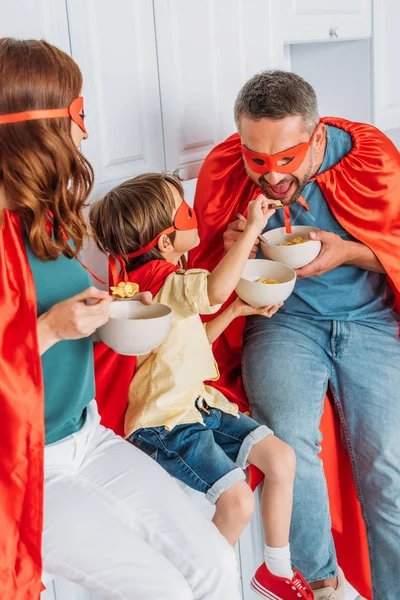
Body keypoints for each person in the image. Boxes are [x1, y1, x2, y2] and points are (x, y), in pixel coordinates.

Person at [0, 37, 243, 600]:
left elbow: (63, 304)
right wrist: (52, 329)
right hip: (25, 468)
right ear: (35, 128)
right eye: (77, 115)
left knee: (212, 565)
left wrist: (107, 311)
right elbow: (39, 329)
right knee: (163, 591)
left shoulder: (46, 217)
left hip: (88, 437)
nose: (85, 132)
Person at [187, 70, 400, 600]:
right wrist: (241, 245)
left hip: (370, 320)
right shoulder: (226, 170)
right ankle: (319, 586)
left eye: (287, 159)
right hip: (281, 322)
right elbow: (207, 277)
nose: (272, 177)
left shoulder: (370, 160)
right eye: (255, 159)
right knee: (286, 440)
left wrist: (348, 250)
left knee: (388, 470)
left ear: (318, 137)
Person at [89, 173, 313, 600]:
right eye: (186, 211)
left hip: (197, 405)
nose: (196, 213)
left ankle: (275, 570)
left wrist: (237, 312)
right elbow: (213, 289)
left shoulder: (164, 280)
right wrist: (251, 229)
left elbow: (187, 346)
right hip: (165, 423)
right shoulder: (162, 282)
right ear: (167, 241)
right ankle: (206, 589)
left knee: (281, 459)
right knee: (238, 502)